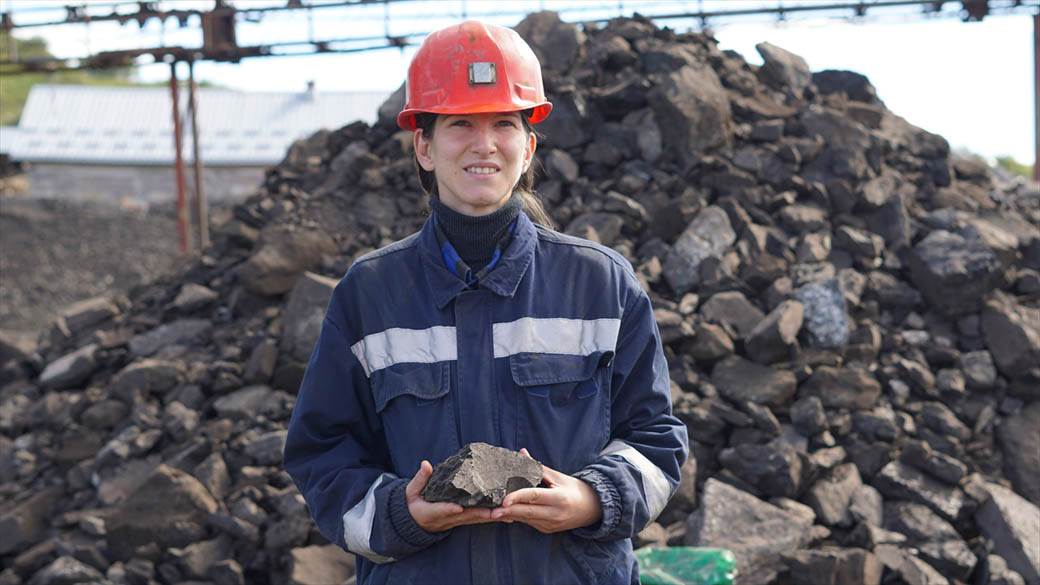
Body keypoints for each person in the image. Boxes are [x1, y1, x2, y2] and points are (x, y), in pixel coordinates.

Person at [283, 20, 688, 585]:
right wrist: (404, 514)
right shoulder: (370, 293)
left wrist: (592, 498)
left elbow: (655, 439)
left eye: (503, 123)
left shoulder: (600, 285)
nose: (484, 144)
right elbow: (321, 456)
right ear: (423, 146)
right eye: (459, 124)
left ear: (529, 147)